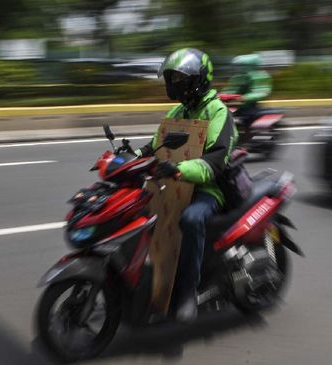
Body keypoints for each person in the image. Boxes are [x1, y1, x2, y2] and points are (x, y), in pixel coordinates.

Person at [137, 48, 238, 322]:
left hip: (208, 188)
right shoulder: (177, 111)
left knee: (192, 219)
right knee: (137, 211)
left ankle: (187, 293)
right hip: (173, 183)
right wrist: (129, 159)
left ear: (200, 78)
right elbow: (154, 146)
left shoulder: (217, 111)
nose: (175, 84)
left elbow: (216, 160)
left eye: (180, 78)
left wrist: (179, 170)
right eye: (172, 78)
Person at [222, 54, 272, 129]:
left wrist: (244, 98)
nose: (238, 69)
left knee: (248, 118)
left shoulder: (259, 76)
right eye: (238, 66)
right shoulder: (237, 77)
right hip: (236, 106)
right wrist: (221, 96)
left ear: (250, 66)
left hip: (251, 107)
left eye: (241, 66)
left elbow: (261, 92)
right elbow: (230, 90)